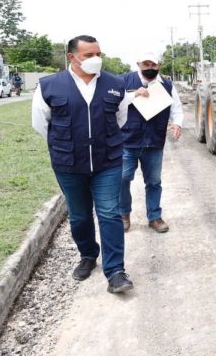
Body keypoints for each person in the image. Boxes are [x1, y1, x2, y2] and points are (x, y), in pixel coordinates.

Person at [31, 35, 134, 294]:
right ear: (72, 57)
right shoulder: (49, 86)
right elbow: (42, 125)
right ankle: (88, 254)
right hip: (68, 164)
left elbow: (120, 119)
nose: (95, 59)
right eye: (88, 55)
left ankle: (116, 271)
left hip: (107, 162)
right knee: (79, 215)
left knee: (110, 213)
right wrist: (69, 145)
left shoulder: (115, 84)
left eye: (97, 53)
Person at [119, 52, 183, 233]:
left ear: (159, 65)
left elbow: (176, 108)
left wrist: (177, 122)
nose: (149, 68)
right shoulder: (124, 82)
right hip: (128, 141)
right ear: (138, 63)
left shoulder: (167, 85)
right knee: (123, 179)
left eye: (153, 65)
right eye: (145, 64)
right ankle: (124, 214)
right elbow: (114, 104)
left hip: (154, 141)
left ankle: (154, 217)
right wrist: (134, 94)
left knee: (154, 181)